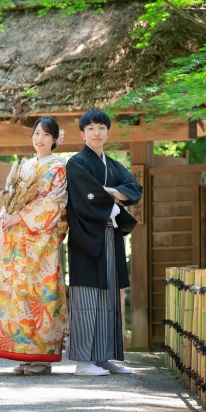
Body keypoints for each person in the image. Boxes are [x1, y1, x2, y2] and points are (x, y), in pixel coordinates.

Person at [0, 116, 69, 376]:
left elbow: (55, 203)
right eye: (36, 133)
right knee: (19, 298)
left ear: (55, 139)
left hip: (40, 242)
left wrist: (20, 216)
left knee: (40, 293)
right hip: (18, 239)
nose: (39, 139)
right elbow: (9, 198)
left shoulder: (58, 167)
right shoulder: (25, 165)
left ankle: (44, 357)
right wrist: (4, 217)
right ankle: (25, 353)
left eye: (46, 135)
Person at [65, 109, 142, 376]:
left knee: (109, 294)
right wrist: (112, 195)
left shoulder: (113, 164)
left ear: (108, 132)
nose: (97, 133)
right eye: (91, 128)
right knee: (86, 295)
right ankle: (82, 360)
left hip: (110, 233)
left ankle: (103, 357)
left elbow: (133, 188)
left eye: (101, 128)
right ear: (82, 133)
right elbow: (85, 196)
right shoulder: (76, 163)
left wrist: (108, 192)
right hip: (86, 236)